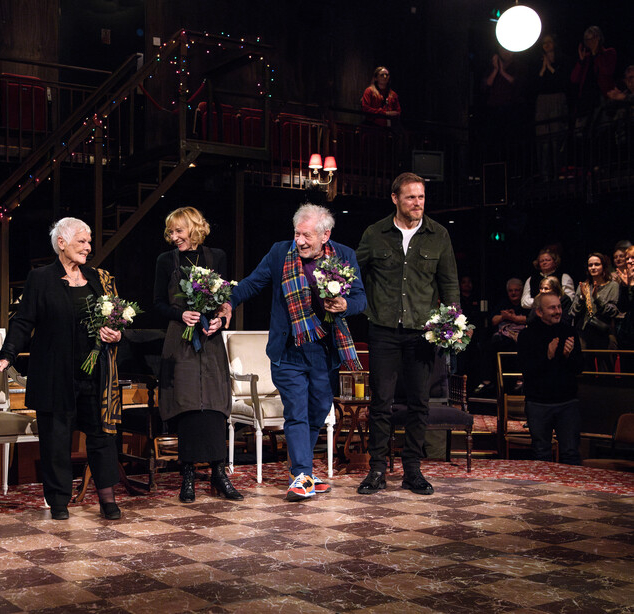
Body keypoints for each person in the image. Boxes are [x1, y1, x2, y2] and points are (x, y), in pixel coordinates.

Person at [220, 203, 366, 501]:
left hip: (324, 350)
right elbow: (252, 284)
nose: (300, 241)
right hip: (288, 350)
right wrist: (229, 302)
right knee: (296, 412)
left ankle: (302, 472)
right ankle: (301, 474)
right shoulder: (279, 253)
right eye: (297, 234)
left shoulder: (344, 256)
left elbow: (360, 298)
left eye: (307, 235)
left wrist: (345, 305)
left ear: (325, 235)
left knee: (317, 410)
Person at [0, 218, 124, 521]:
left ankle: (107, 498)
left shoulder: (99, 279)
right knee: (56, 440)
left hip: (95, 376)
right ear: (62, 243)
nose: (88, 247)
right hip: (54, 375)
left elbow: (117, 318)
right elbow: (24, 321)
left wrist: (117, 333)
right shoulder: (41, 278)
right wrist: (7, 355)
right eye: (82, 241)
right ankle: (58, 502)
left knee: (102, 438)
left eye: (89, 241)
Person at [355, 172, 459, 496]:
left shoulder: (438, 234)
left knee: (419, 403)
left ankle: (412, 469)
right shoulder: (375, 233)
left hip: (421, 332)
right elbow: (354, 273)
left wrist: (452, 322)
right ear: (395, 198)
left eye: (421, 197)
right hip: (383, 328)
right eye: (411, 197)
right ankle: (376, 469)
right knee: (381, 402)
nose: (417, 203)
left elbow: (449, 283)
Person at [153, 207, 242, 503]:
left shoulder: (216, 257)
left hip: (210, 339)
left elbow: (225, 298)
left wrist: (219, 318)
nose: (173, 236)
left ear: (194, 229)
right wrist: (180, 314)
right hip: (181, 340)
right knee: (188, 405)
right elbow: (157, 303)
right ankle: (188, 475)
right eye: (171, 232)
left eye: (179, 230)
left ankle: (219, 474)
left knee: (214, 404)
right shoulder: (166, 260)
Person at [517, 293, 583, 464]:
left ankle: (571, 483)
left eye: (559, 307)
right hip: (538, 402)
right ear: (539, 312)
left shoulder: (569, 332)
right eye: (552, 308)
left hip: (567, 402)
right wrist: (547, 356)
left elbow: (579, 368)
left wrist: (568, 356)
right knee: (541, 452)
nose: (558, 311)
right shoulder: (527, 335)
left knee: (570, 452)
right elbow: (527, 370)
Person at [474, 278, 529, 396]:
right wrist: (504, 317)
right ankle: (487, 381)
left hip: (522, 336)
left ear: (522, 291)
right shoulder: (503, 303)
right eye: (510, 291)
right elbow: (494, 320)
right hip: (503, 337)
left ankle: (520, 380)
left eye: (516, 290)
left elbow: (530, 319)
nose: (513, 293)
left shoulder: (526, 304)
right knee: (487, 345)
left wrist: (513, 318)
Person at [570, 252, 619, 371]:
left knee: (606, 369)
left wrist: (597, 298)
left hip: (604, 332)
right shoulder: (584, 286)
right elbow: (572, 312)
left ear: (604, 266)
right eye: (590, 265)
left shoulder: (612, 286)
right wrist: (581, 298)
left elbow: (612, 311)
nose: (593, 267)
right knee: (585, 369)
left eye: (597, 264)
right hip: (584, 332)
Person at [534, 34, 570, 180]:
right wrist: (543, 68)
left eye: (549, 42)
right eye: (544, 43)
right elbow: (535, 85)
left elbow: (563, 81)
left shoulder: (562, 60)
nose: (547, 45)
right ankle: (544, 174)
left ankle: (558, 172)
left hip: (557, 99)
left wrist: (550, 67)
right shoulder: (537, 62)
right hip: (543, 101)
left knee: (556, 137)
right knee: (543, 139)